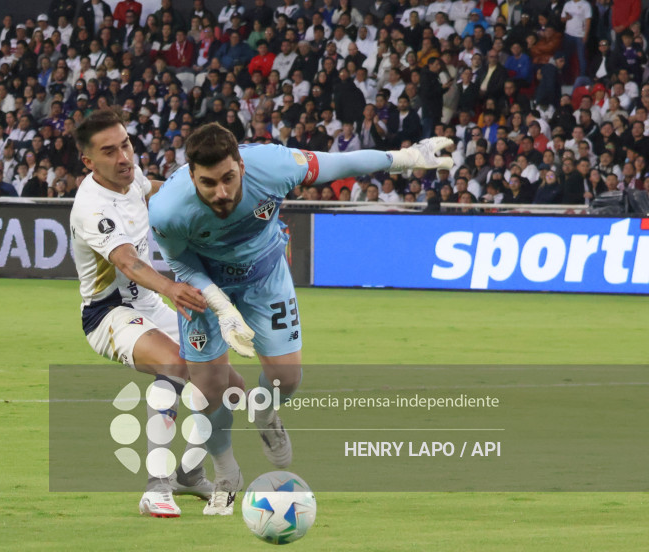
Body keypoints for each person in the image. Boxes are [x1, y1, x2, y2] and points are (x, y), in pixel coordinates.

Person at [148, 123, 453, 515]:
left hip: (265, 278)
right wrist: (220, 305)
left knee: (287, 378)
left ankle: (264, 411)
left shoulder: (273, 166)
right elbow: (179, 262)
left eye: (228, 178)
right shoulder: (168, 209)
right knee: (208, 388)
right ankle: (225, 473)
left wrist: (406, 157)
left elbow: (341, 164)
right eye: (208, 183)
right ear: (192, 176)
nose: (221, 192)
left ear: (242, 165)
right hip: (205, 289)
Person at [69, 109, 243, 518]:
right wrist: (172, 288)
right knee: (175, 364)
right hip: (108, 314)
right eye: (109, 152)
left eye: (126, 145)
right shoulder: (91, 207)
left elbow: (157, 191)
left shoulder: (131, 178)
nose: (123, 157)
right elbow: (127, 261)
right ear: (88, 161)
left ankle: (189, 473)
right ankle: (156, 487)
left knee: (226, 384)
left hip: (149, 306)